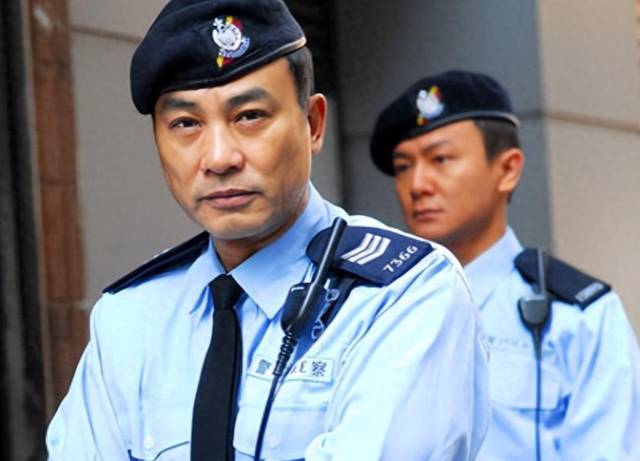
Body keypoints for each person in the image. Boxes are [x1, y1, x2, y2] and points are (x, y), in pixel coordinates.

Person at [45, 2, 491, 460]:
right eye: (186, 124)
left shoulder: (401, 294)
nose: (219, 158)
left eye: (249, 116)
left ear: (313, 124)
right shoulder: (131, 318)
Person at [369, 69, 640, 461]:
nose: (418, 185)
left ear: (508, 170)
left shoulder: (578, 318)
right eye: (403, 166)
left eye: (440, 159)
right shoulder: (377, 310)